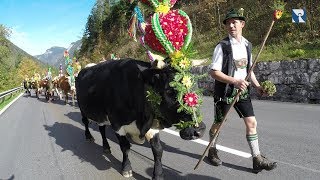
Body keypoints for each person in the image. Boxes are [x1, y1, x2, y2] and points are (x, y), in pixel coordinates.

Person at [207, 8, 277, 173]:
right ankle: (212, 149)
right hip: (224, 92)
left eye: (234, 22)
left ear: (242, 24)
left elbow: (249, 70)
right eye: (228, 23)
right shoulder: (222, 47)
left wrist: (258, 86)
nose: (231, 25)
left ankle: (257, 158)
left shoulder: (247, 45)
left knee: (252, 122)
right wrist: (234, 81)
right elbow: (213, 72)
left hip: (243, 91)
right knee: (219, 123)